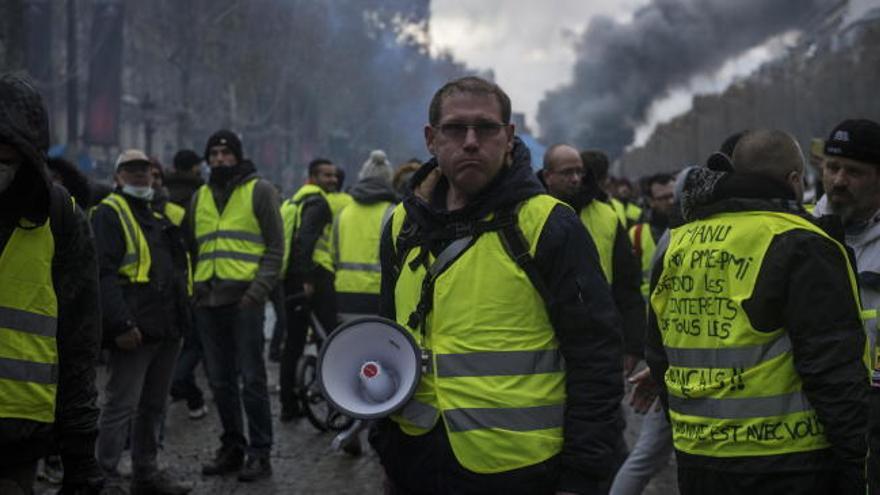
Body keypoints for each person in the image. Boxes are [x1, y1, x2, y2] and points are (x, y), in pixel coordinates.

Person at [371, 76, 625, 494]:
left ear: (508, 137)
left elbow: (596, 361)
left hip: (521, 469)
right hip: (414, 462)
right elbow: (386, 337)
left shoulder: (550, 224)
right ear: (431, 139)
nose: (471, 141)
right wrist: (386, 440)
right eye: (455, 128)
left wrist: (582, 478)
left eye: (485, 128)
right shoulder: (400, 225)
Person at [645, 129, 869, 494]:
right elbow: (833, 371)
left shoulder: (678, 242)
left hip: (697, 459)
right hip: (790, 463)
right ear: (795, 180)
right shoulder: (803, 243)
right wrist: (857, 467)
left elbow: (658, 354)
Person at [0, 72, 104, 495]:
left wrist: (80, 453)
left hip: (17, 434)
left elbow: (79, 340)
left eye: (5, 153)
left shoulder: (60, 220)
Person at [92, 149, 192, 495]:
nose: (139, 176)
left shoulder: (158, 214)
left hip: (165, 327)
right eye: (131, 170)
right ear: (117, 177)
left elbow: (176, 271)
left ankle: (145, 473)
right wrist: (119, 325)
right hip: (134, 329)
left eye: (144, 170)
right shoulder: (108, 213)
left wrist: (183, 321)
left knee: (153, 406)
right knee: (121, 405)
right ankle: (103, 476)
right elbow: (102, 274)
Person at [186, 130, 284, 481]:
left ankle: (260, 453)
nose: (218, 159)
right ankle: (232, 446)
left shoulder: (260, 191)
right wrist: (194, 288)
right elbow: (192, 248)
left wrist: (256, 292)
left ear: (237, 157)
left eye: (225, 154)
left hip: (244, 301)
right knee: (220, 381)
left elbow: (275, 247)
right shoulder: (199, 197)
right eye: (212, 154)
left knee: (253, 380)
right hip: (208, 302)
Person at [812, 118, 880, 493]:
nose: (838, 181)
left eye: (854, 172)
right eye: (832, 167)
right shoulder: (795, 230)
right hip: (811, 422)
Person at [541, 144, 645, 377]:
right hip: (544, 337)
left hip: (598, 335)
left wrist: (634, 343)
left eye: (580, 172)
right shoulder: (528, 214)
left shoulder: (607, 216)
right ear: (548, 176)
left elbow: (627, 283)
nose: (576, 179)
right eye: (568, 173)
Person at [278, 158, 339, 422]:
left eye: (334, 175)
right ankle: (336, 397)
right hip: (315, 277)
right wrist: (307, 278)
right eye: (327, 175)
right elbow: (305, 239)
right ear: (312, 177)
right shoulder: (318, 202)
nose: (333, 180)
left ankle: (288, 405)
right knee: (332, 338)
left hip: (289, 280)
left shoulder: (293, 202)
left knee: (293, 344)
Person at [333, 149, 398, 317]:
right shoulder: (393, 213)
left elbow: (333, 255)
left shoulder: (343, 213)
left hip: (343, 293)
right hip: (379, 295)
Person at [628, 173, 676, 297]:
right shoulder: (637, 234)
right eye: (663, 198)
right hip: (649, 308)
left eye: (672, 195)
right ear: (651, 201)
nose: (670, 201)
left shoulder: (692, 228)